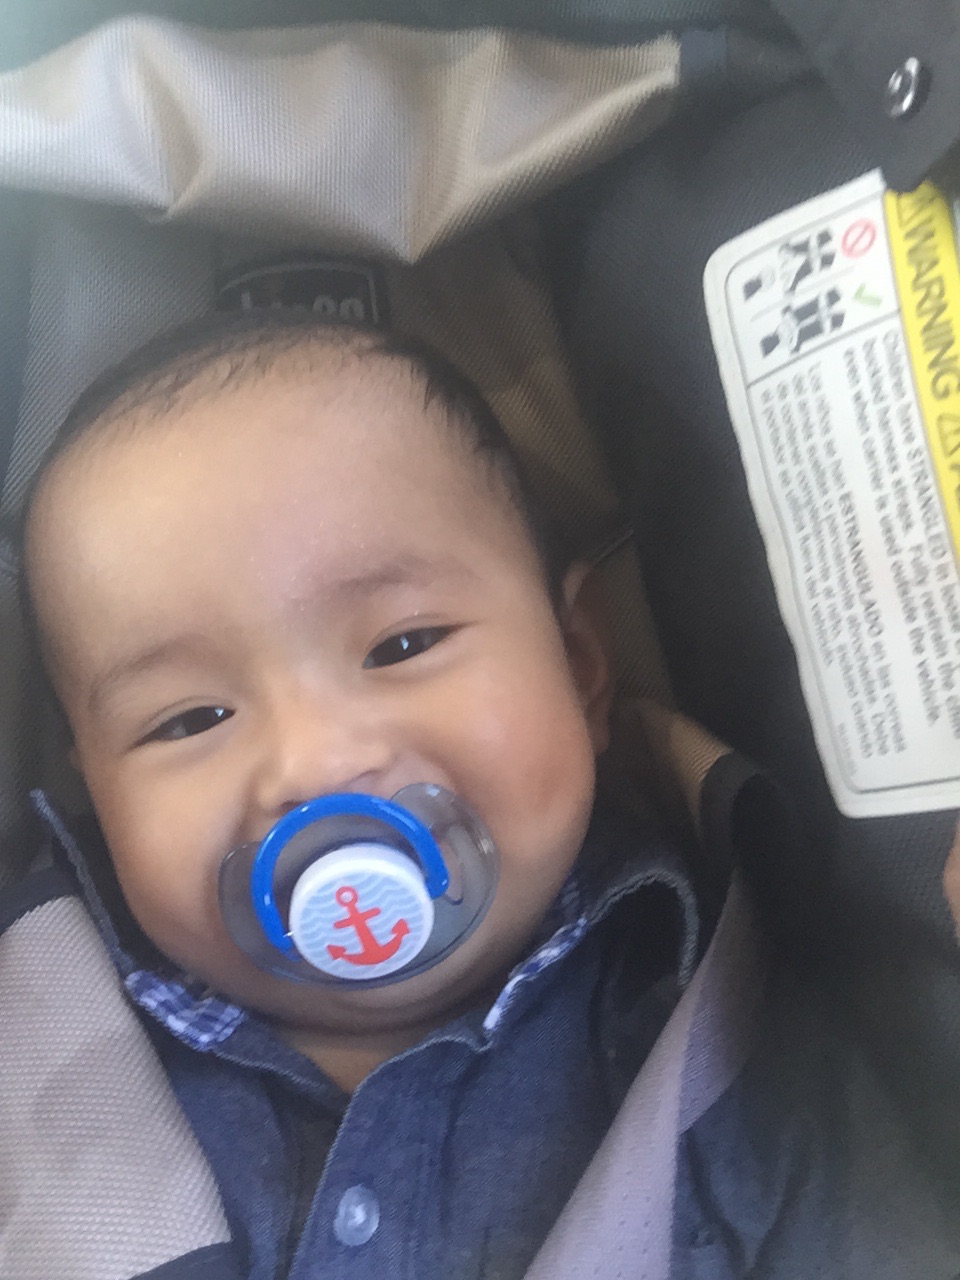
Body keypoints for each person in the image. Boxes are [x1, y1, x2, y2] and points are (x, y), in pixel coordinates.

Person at [11, 310, 960, 1279]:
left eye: (402, 644)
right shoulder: (35, 1024)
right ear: (93, 783)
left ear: (580, 663)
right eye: (190, 718)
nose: (313, 765)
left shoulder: (735, 1047)